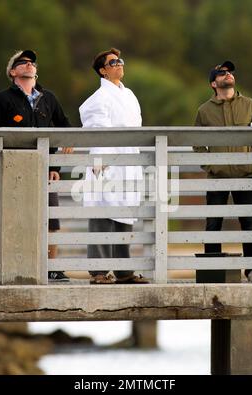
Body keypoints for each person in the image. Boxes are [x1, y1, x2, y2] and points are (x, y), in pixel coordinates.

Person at [0, 49, 73, 282]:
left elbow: (65, 127)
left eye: (32, 62)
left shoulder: (49, 98)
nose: (29, 64)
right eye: (23, 62)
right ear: (13, 72)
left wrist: (57, 164)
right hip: (10, 169)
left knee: (50, 219)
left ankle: (51, 267)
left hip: (44, 166)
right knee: (7, 219)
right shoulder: (0, 100)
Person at [79, 48, 149, 284]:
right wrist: (100, 161)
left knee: (123, 216)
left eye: (120, 60)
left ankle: (123, 271)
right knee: (102, 216)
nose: (119, 64)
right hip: (107, 164)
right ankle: (98, 272)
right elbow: (97, 131)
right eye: (113, 62)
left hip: (129, 162)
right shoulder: (98, 99)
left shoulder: (128, 94)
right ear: (103, 71)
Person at [193, 60, 252, 283]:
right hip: (217, 177)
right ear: (214, 83)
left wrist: (249, 158)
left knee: (249, 224)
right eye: (222, 73)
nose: (228, 75)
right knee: (213, 224)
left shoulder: (250, 104)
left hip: (246, 175)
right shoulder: (203, 111)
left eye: (230, 72)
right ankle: (214, 271)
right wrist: (211, 165)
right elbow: (196, 143)